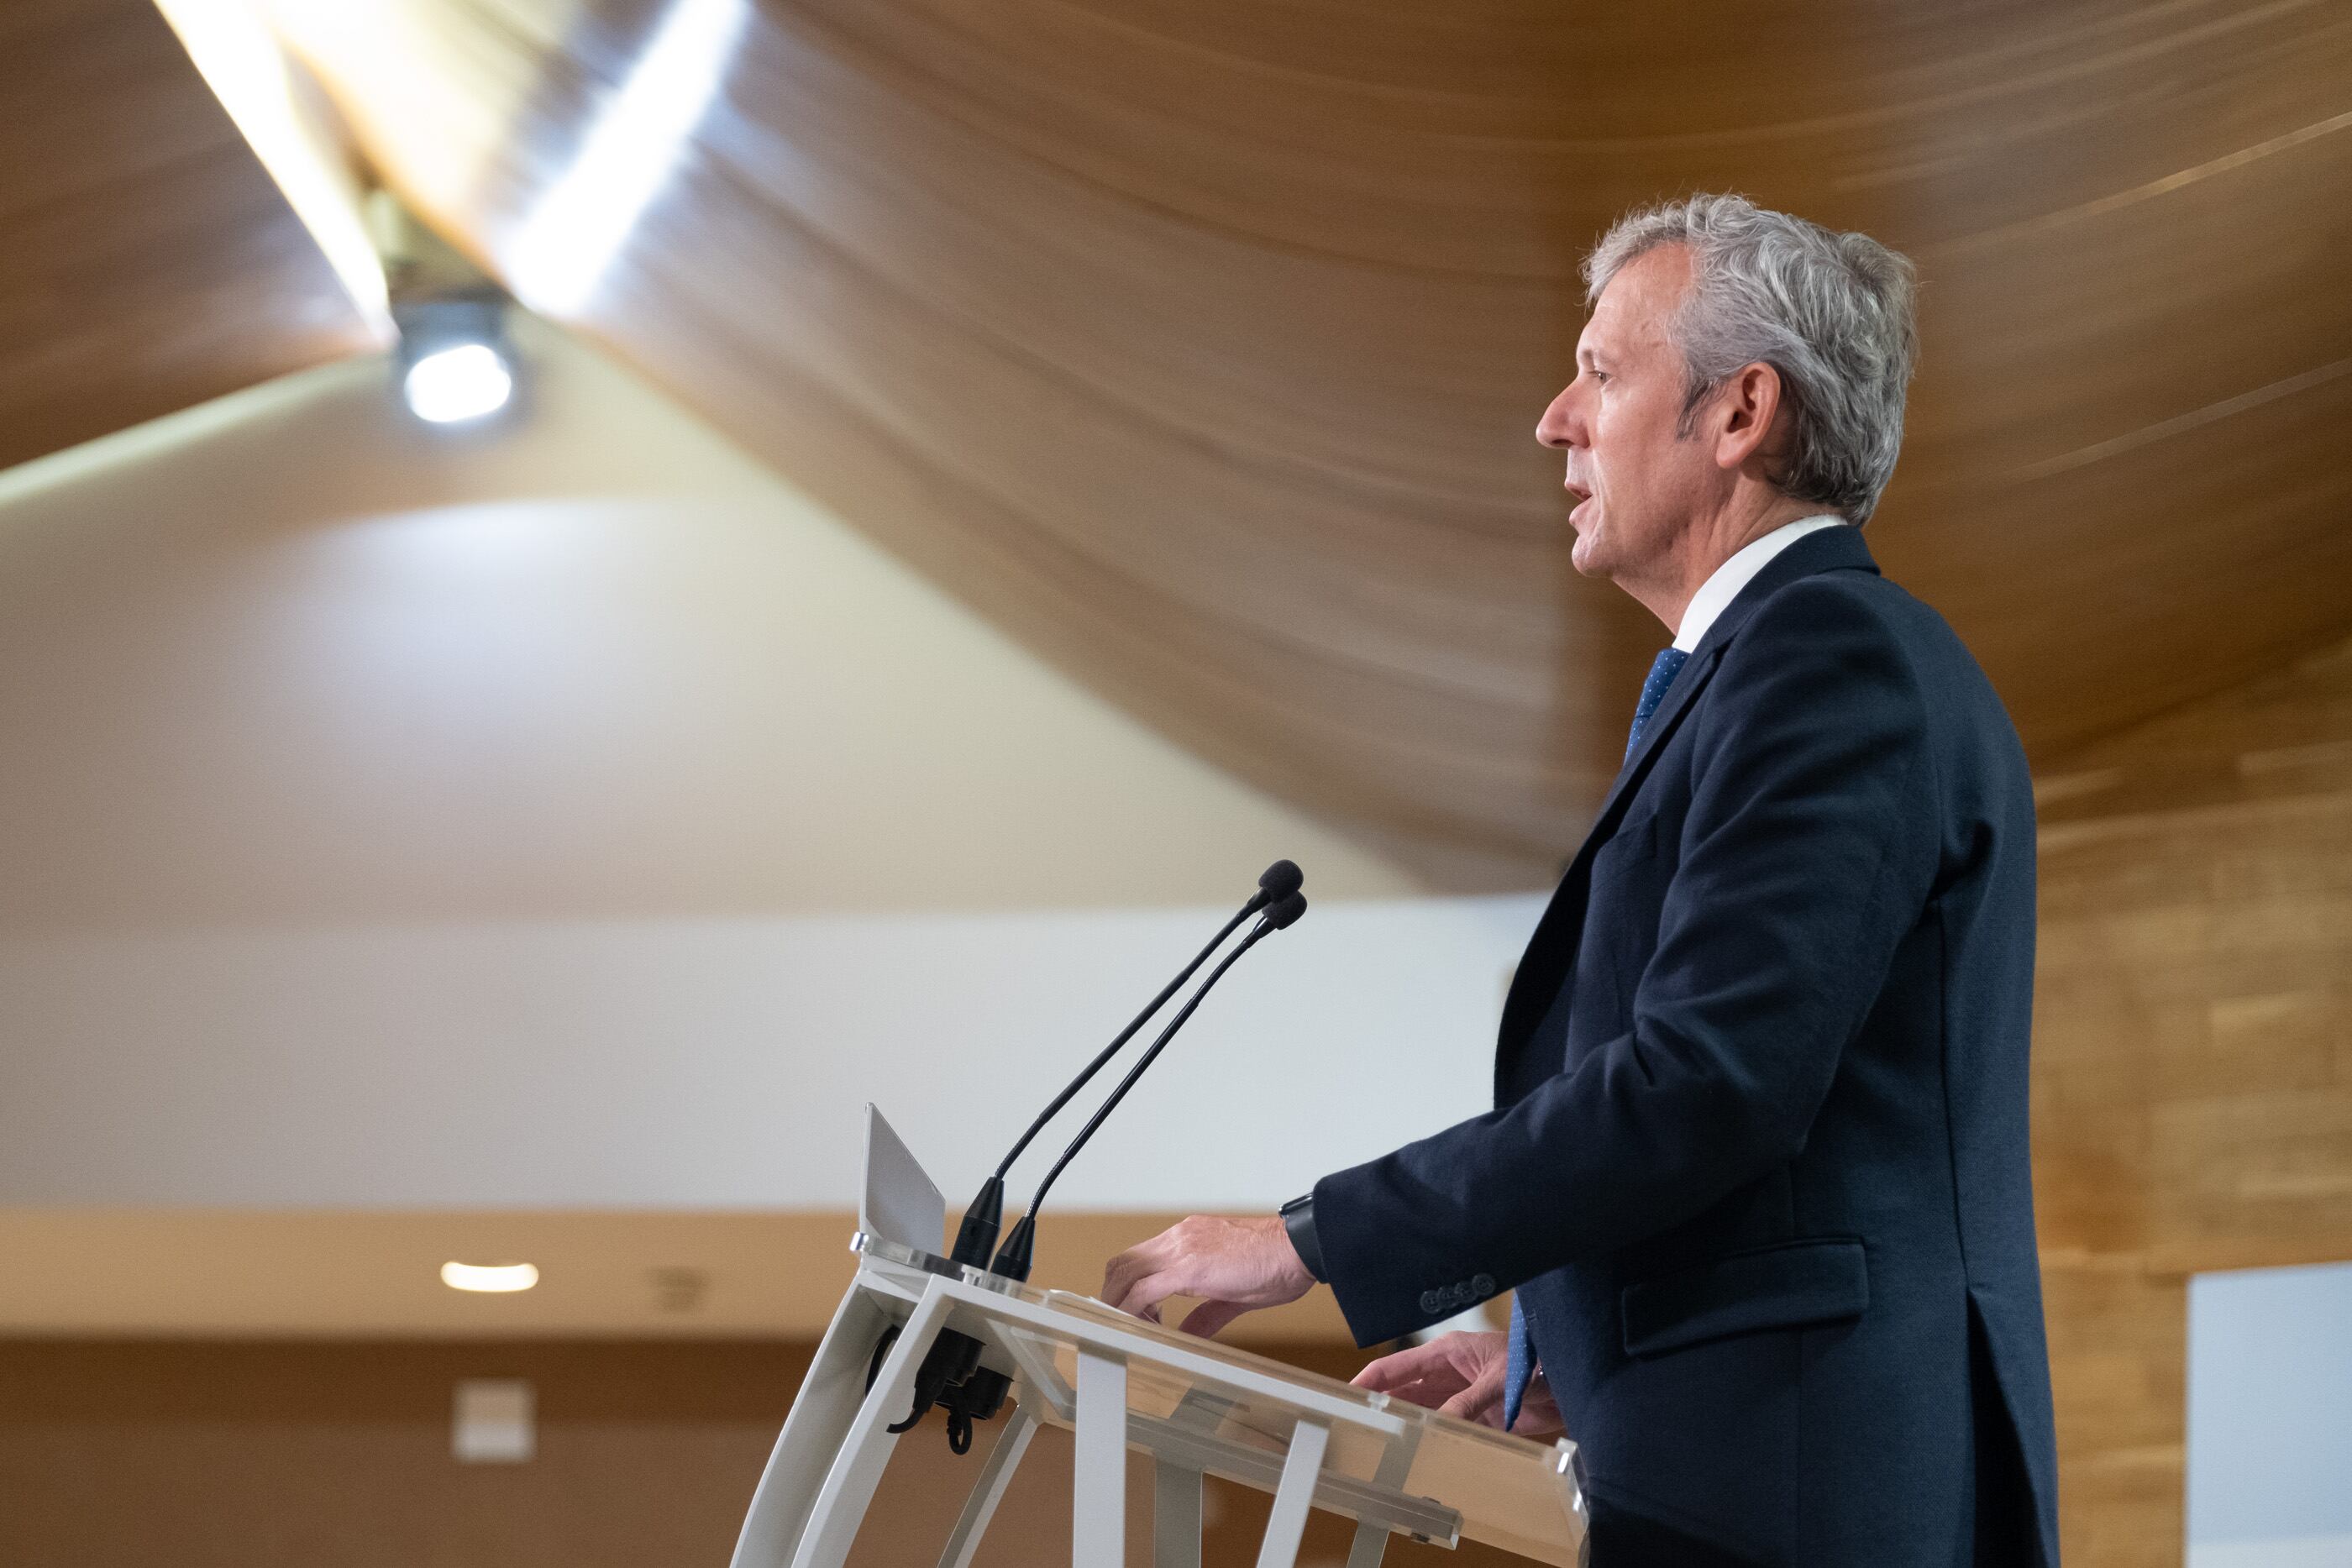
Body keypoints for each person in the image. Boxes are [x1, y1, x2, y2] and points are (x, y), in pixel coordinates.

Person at [1100, 194, 2061, 1566]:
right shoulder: (1778, 668)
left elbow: (1705, 1084)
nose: (1556, 418)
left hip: (1809, 1494)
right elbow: (1774, 1136)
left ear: (1740, 415)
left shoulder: (1825, 664)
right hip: (1768, 1462)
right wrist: (1565, 1350)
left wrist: (1306, 1242)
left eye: (1603, 374)